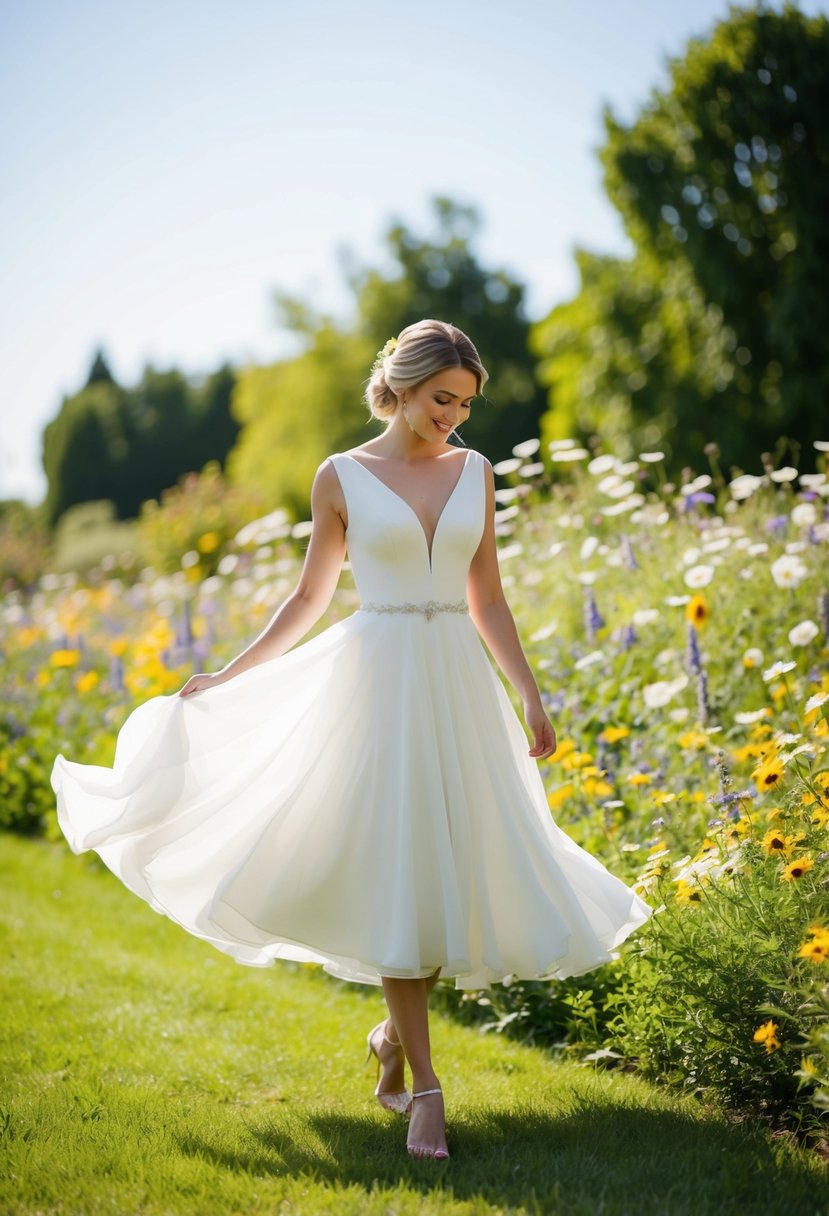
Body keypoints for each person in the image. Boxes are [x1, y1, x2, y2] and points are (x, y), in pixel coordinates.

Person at [52, 318, 653, 1163]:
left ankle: (388, 1039)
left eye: (465, 403)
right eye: (441, 399)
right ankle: (428, 1097)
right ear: (400, 387)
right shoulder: (339, 477)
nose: (454, 416)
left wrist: (528, 693)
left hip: (455, 685)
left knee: (443, 879)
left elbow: (487, 596)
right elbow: (307, 600)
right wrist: (227, 675)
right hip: (375, 685)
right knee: (403, 876)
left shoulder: (476, 474)